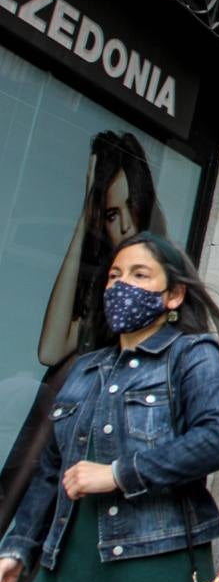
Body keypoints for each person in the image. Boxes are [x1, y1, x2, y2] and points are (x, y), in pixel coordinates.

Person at [0, 231, 219, 582]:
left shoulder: (192, 354)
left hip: (151, 562)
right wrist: (18, 548)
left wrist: (118, 474)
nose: (121, 286)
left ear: (174, 296)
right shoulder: (85, 367)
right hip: (66, 561)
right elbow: (50, 470)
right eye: (114, 276)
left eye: (139, 275)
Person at [1, 132, 165, 533]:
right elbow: (51, 349)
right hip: (66, 429)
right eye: (110, 214)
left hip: (102, 439)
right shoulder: (103, 285)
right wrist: (83, 219)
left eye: (130, 207)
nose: (124, 224)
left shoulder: (161, 285)